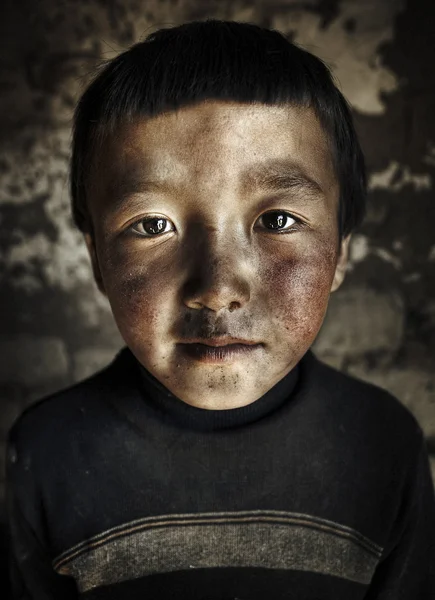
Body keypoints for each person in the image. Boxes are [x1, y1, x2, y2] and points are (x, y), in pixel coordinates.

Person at [6, 18, 435, 600]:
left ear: (340, 254)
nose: (217, 287)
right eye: (153, 225)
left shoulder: (385, 445)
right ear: (97, 261)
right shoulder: (44, 455)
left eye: (278, 220)